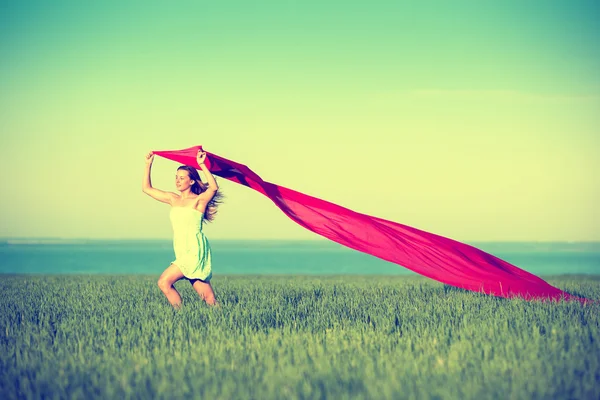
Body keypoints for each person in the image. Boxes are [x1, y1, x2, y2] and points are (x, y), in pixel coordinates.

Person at [143, 149, 223, 308]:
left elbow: (213, 188)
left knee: (164, 282)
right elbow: (147, 189)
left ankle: (181, 314)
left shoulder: (199, 200)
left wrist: (202, 165)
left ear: (191, 181)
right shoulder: (173, 198)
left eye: (181, 178)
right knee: (208, 298)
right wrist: (148, 165)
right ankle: (223, 318)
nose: (177, 181)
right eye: (176, 178)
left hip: (194, 249)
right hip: (181, 248)